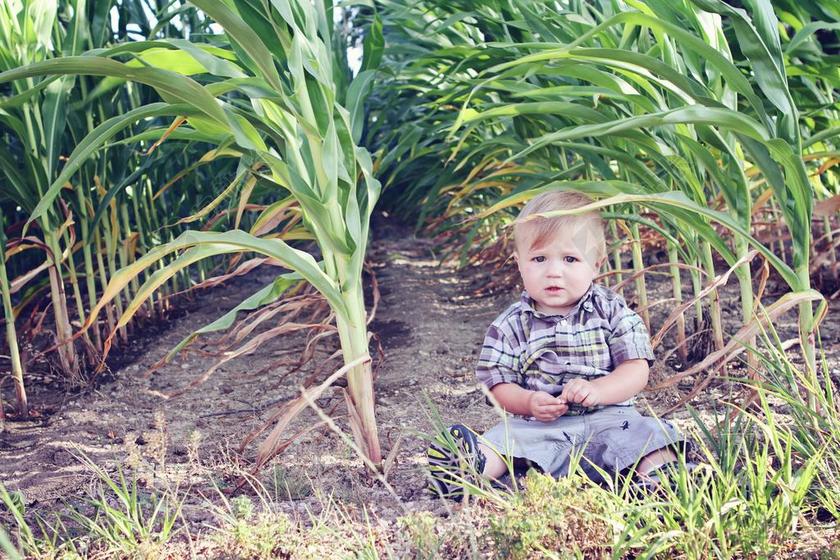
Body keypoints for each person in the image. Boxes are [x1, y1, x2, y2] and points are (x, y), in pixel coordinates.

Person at [427, 190, 690, 499]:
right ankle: (468, 468)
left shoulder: (612, 310)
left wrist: (598, 390)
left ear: (596, 265)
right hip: (540, 427)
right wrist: (528, 402)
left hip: (611, 421)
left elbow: (635, 369)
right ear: (519, 264)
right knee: (503, 440)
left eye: (570, 259)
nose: (554, 270)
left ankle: (659, 480)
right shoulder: (511, 324)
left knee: (650, 436)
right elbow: (497, 384)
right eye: (539, 258)